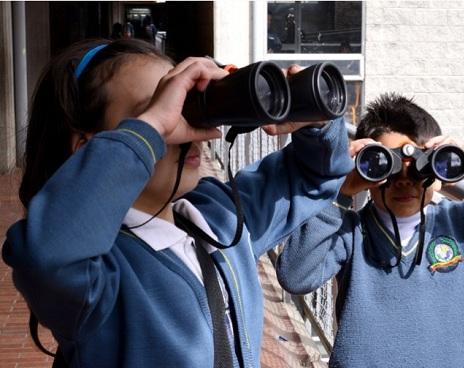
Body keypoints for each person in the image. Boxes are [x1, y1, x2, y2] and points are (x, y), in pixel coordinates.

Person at [2, 38, 353, 367]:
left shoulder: (220, 218)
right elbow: (48, 257)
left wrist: (316, 124)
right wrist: (153, 126)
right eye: (156, 113)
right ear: (91, 150)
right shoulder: (97, 277)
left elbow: (314, 175)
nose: (180, 124)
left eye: (187, 104)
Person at [275, 92, 464, 368]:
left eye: (419, 169)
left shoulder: (462, 222)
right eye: (388, 167)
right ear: (367, 172)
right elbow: (296, 277)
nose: (404, 181)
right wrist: (339, 191)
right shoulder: (350, 232)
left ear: (435, 170)